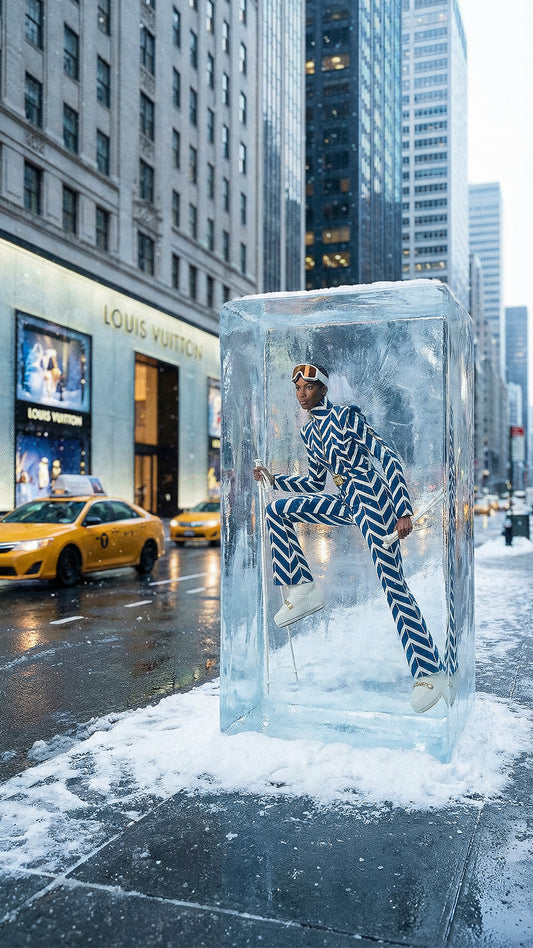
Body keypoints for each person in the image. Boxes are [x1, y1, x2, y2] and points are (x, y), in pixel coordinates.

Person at [253, 363, 456, 714]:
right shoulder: (309, 433)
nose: (302, 394)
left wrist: (402, 508)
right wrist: (275, 480)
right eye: (298, 388)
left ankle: (430, 671)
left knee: (393, 585)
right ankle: (302, 589)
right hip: (346, 499)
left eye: (309, 387)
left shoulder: (347, 416)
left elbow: (387, 456)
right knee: (278, 511)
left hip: (372, 496)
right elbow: (317, 483)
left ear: (324, 389)